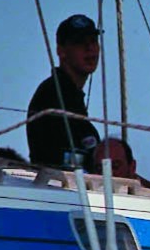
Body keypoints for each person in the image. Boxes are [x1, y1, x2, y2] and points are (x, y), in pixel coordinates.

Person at [27, 14, 101, 171]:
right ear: (61, 51)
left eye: (93, 41)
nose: (90, 48)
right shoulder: (53, 96)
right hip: (60, 188)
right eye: (80, 43)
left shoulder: (68, 94)